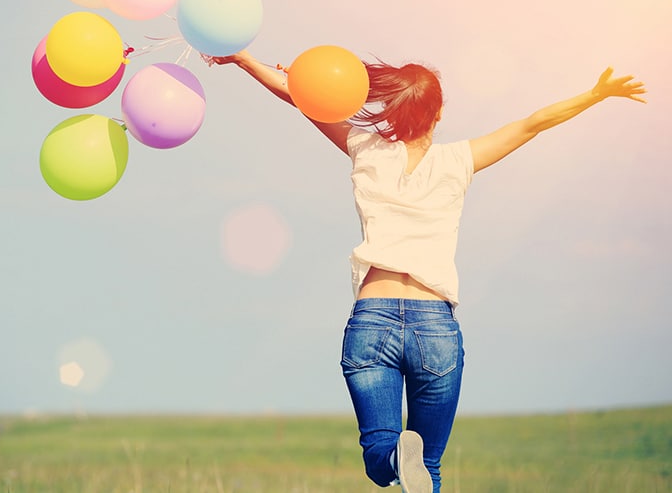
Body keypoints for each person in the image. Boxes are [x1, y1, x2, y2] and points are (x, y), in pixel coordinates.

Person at [211, 50, 646, 492]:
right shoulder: (459, 160)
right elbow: (533, 123)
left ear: (392, 109)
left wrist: (244, 59)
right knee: (430, 470)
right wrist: (595, 94)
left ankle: (395, 455)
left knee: (382, 458)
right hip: (434, 327)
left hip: (372, 319)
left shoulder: (365, 148)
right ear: (438, 113)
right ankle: (410, 459)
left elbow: (300, 99)